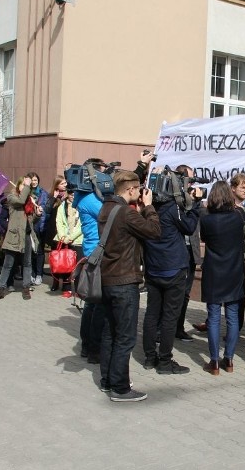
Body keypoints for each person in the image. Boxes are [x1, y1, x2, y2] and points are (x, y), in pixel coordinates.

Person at [98, 170, 161, 401]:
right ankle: (120, 388)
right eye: (137, 189)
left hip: (107, 279)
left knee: (110, 333)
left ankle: (107, 380)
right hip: (125, 280)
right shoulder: (126, 212)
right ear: (131, 190)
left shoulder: (106, 208)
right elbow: (154, 231)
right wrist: (149, 207)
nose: (139, 193)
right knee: (125, 336)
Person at [141, 167, 202, 374]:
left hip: (153, 269)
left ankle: (150, 358)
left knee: (152, 314)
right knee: (169, 317)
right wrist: (195, 205)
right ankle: (165, 362)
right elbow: (190, 226)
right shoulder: (171, 209)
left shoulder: (148, 209)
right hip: (173, 269)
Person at [200, 181, 245, 375]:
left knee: (213, 317)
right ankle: (229, 359)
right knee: (233, 317)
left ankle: (214, 362)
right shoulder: (238, 217)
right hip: (234, 271)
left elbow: (204, 239)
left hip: (213, 272)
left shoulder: (207, 219)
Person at [0, 175, 40, 301]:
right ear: (18, 186)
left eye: (27, 185)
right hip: (14, 235)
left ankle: (26, 288)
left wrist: (38, 214)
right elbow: (20, 201)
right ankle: (1, 289)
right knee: (8, 264)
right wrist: (28, 186)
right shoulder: (12, 198)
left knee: (27, 263)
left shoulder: (31, 200)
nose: (26, 187)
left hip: (27, 235)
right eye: (23, 184)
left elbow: (31, 220)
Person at [74, 172, 106, 363]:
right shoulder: (90, 199)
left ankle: (88, 345)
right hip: (96, 252)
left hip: (93, 250)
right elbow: (108, 213)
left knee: (91, 303)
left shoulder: (86, 197)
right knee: (96, 302)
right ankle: (92, 347)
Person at [173, 164, 202, 343]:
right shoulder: (172, 199)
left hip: (191, 252)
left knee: (185, 293)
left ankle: (179, 328)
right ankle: (164, 329)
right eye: (189, 178)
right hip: (176, 253)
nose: (191, 182)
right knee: (172, 294)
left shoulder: (193, 198)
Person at [53, 189, 83, 297]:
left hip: (78, 240)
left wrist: (72, 237)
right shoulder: (62, 206)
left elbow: (82, 224)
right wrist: (63, 236)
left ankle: (79, 289)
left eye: (75, 194)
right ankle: (67, 288)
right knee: (65, 265)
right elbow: (59, 222)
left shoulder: (82, 205)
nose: (72, 196)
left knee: (79, 265)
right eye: (70, 194)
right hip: (64, 239)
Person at [28, 172, 50, 286]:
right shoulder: (25, 194)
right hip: (29, 225)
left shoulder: (43, 193)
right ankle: (31, 273)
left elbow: (46, 209)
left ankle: (39, 274)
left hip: (40, 226)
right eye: (32, 180)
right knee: (30, 251)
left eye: (35, 180)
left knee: (40, 251)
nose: (34, 182)